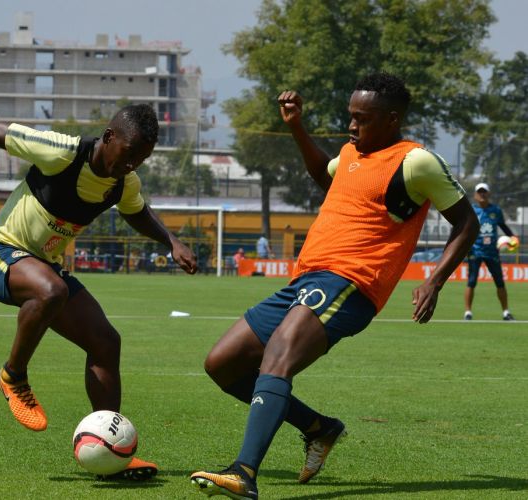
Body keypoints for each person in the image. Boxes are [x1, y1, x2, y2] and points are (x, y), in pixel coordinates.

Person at [190, 73, 479, 499]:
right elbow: (327, 177)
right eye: (350, 116)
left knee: (277, 359)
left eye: (362, 118)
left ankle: (244, 473)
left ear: (392, 119)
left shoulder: (415, 162)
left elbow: (466, 222)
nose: (351, 126)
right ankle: (319, 428)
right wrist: (296, 127)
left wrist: (434, 281)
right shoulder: (350, 154)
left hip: (351, 282)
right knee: (222, 364)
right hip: (306, 279)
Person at [0, 104, 197, 480]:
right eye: (129, 154)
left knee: (106, 342)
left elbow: (136, 211)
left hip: (45, 272)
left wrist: (171, 240)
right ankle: (13, 375)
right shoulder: (62, 152)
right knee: (52, 290)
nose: (132, 165)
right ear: (109, 138)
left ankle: (111, 456)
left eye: (141, 159)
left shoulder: (123, 182)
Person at [464, 182, 519, 321]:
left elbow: (503, 225)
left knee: (500, 282)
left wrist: (512, 237)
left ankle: (506, 312)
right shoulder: (471, 210)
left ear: (488, 194)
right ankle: (468, 312)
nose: (482, 194)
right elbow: (463, 228)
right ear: (475, 195)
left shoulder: (496, 210)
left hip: (492, 252)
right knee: (471, 282)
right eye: (479, 192)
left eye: (484, 192)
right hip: (475, 251)